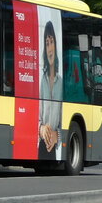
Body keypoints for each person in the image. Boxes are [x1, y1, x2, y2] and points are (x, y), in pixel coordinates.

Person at [38, 21, 63, 159]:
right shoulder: (41, 81)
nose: (49, 48)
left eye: (51, 41)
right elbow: (36, 114)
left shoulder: (61, 83)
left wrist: (56, 134)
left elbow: (63, 119)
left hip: (54, 143)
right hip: (42, 142)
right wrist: (40, 128)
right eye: (46, 44)